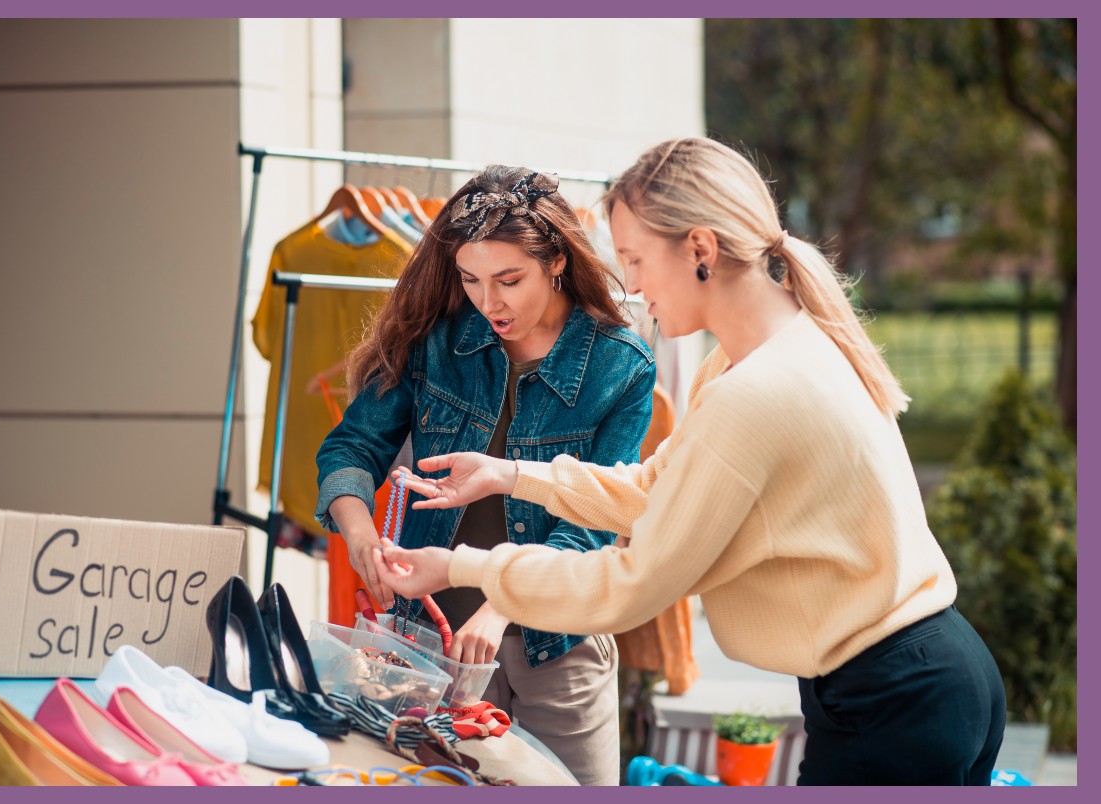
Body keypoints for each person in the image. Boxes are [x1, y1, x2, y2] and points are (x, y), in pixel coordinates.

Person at [374, 137, 1007, 786]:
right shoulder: (763, 354)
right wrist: (512, 474)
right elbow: (657, 490)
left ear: (700, 250)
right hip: (925, 678)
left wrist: (462, 566)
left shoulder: (753, 393)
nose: (633, 284)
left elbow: (630, 583)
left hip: (891, 700)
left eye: (636, 260)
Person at [314, 166, 656, 786]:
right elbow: (351, 447)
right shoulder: (438, 342)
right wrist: (361, 536)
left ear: (555, 261)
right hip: (431, 648)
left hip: (560, 646)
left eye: (509, 279)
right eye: (470, 279)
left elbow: (595, 522)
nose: (488, 301)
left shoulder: (620, 366)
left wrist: (502, 602)